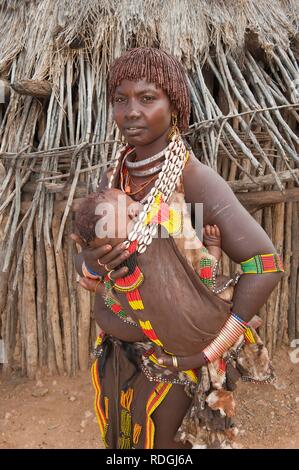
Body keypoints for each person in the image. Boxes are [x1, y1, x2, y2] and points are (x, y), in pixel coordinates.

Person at [72, 47, 284, 449]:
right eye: (121, 99)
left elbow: (266, 263)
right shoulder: (115, 176)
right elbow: (89, 257)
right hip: (120, 354)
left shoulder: (195, 181)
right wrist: (94, 265)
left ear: (176, 104)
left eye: (148, 98)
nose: (131, 111)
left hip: (175, 368)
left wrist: (211, 347)